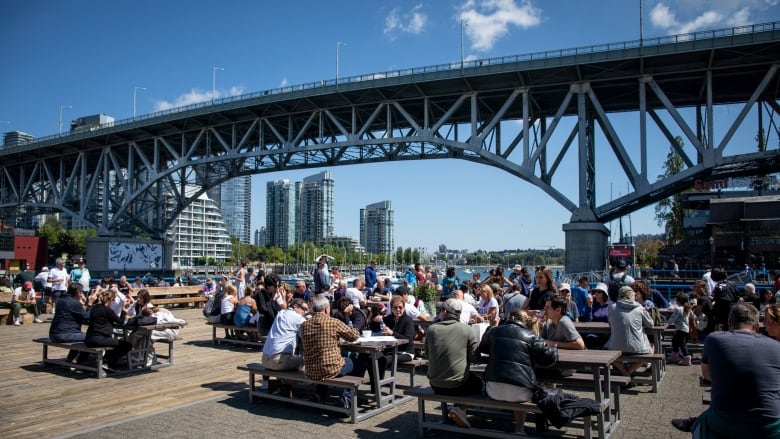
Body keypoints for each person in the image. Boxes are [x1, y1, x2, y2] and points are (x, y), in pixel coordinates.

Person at [671, 304, 780, 437]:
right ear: (757, 326)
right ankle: (694, 422)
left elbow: (707, 375)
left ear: (729, 324)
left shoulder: (714, 339)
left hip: (724, 421)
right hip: (769, 426)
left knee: (715, 411)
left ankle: (694, 424)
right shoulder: (776, 347)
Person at [480, 309, 558, 435]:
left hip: (492, 389)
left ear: (509, 318)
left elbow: (483, 348)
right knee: (521, 385)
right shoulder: (531, 336)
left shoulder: (494, 331)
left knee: (516, 384)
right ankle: (519, 430)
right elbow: (549, 358)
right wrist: (554, 349)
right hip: (520, 393)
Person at [425, 299, 482, 427]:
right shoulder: (467, 330)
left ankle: (457, 410)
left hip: (435, 384)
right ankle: (461, 408)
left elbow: (427, 355)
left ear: (444, 312)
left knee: (458, 378)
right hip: (458, 385)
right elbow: (475, 359)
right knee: (482, 386)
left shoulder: (432, 329)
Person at [300, 296, 361, 408]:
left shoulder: (304, 325)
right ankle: (347, 397)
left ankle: (320, 395)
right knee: (358, 363)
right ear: (327, 309)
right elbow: (354, 336)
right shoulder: (332, 322)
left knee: (323, 359)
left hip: (310, 369)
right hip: (331, 369)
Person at [605, 286, 653, 377]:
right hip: (638, 348)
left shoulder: (611, 307)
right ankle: (628, 372)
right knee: (649, 353)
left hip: (615, 347)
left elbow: (610, 323)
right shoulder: (639, 308)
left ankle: (624, 372)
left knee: (609, 353)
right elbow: (651, 324)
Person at [85, 289, 133, 370]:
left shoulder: (94, 308)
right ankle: (109, 363)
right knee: (127, 345)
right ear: (111, 300)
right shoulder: (107, 310)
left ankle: (106, 359)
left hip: (89, 338)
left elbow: (87, 317)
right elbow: (121, 321)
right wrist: (124, 309)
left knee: (113, 343)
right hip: (100, 339)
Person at [49, 283, 93, 364]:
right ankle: (79, 361)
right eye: (82, 292)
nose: (82, 294)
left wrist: (81, 303)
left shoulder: (61, 300)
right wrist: (90, 304)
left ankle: (70, 358)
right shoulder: (73, 303)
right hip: (64, 334)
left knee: (81, 336)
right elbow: (87, 317)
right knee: (92, 337)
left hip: (54, 333)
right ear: (78, 292)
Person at [262, 298, 308, 371]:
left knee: (291, 357)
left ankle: (275, 381)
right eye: (304, 309)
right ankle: (297, 382)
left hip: (264, 360)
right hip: (279, 361)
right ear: (295, 306)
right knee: (307, 361)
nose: (305, 312)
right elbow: (307, 336)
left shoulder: (281, 313)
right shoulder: (299, 318)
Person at [666, 292, 694, 366]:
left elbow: (673, 318)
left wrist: (666, 325)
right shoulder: (688, 308)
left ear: (678, 301)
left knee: (682, 344)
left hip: (680, 329)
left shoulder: (678, 309)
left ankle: (687, 359)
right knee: (675, 341)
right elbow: (693, 317)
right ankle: (674, 356)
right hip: (685, 329)